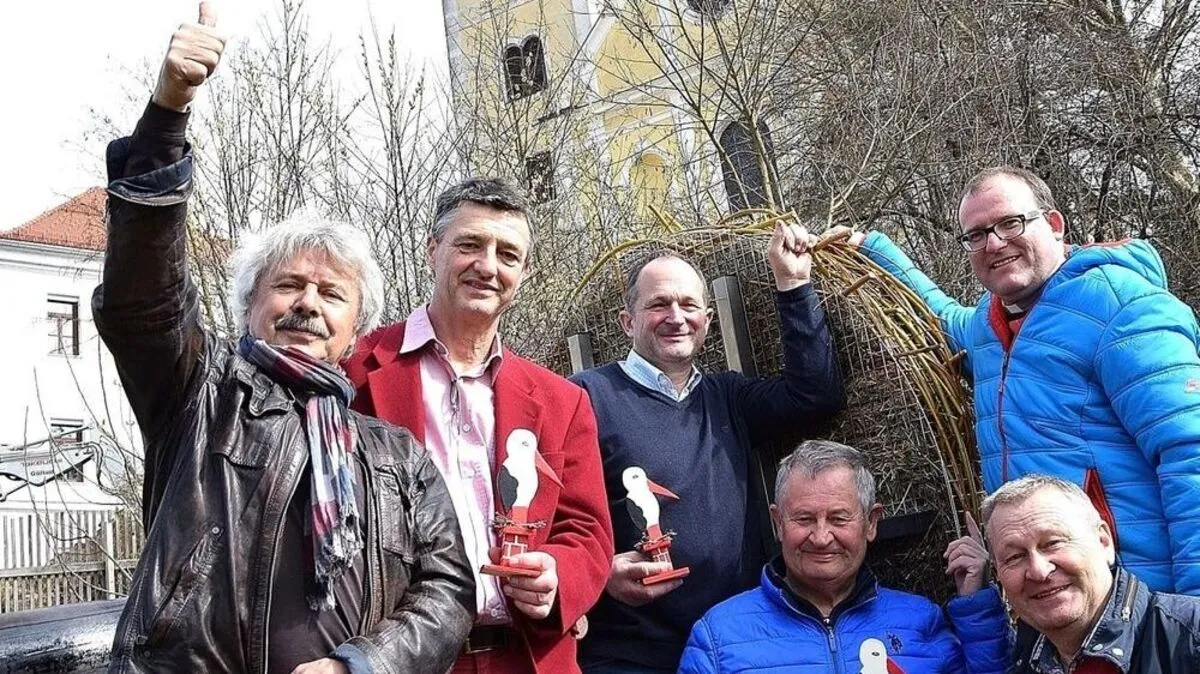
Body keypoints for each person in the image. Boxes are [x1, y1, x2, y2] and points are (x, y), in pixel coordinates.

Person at [95, 5, 474, 673]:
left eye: (332, 295)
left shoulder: (396, 454)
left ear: (354, 328)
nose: (308, 304)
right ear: (249, 306)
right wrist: (168, 113)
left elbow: (447, 591)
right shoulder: (199, 394)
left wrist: (360, 664)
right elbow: (144, 300)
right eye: (289, 285)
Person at [838, 166, 1200, 594]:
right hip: (1047, 595)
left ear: (1054, 224)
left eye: (1011, 222)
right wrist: (870, 247)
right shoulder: (989, 328)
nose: (994, 243)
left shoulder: (1120, 305)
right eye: (976, 235)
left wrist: (1190, 611)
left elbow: (1188, 453)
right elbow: (937, 314)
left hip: (1138, 596)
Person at [344, 178, 614, 673]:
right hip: (401, 658)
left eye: (508, 254)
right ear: (432, 250)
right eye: (469, 245)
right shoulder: (354, 373)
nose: (488, 266)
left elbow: (589, 529)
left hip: (531, 655)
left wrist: (558, 575)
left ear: (525, 271)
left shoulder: (563, 400)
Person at [569, 224, 845, 673]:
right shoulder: (585, 398)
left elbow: (815, 395)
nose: (675, 316)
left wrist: (792, 284)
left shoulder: (729, 399)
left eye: (688, 305)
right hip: (631, 653)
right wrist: (599, 573)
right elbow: (552, 514)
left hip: (734, 646)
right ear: (627, 321)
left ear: (708, 320)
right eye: (658, 304)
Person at [677, 440, 1008, 674]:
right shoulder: (719, 637)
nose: (821, 537)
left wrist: (976, 607)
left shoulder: (921, 622)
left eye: (839, 518)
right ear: (778, 523)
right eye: (804, 519)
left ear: (871, 522)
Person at [983, 474, 1200, 673]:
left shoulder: (1191, 640)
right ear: (998, 574)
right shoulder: (1027, 660)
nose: (1039, 571)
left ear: (1104, 541)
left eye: (1053, 543)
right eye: (1014, 557)